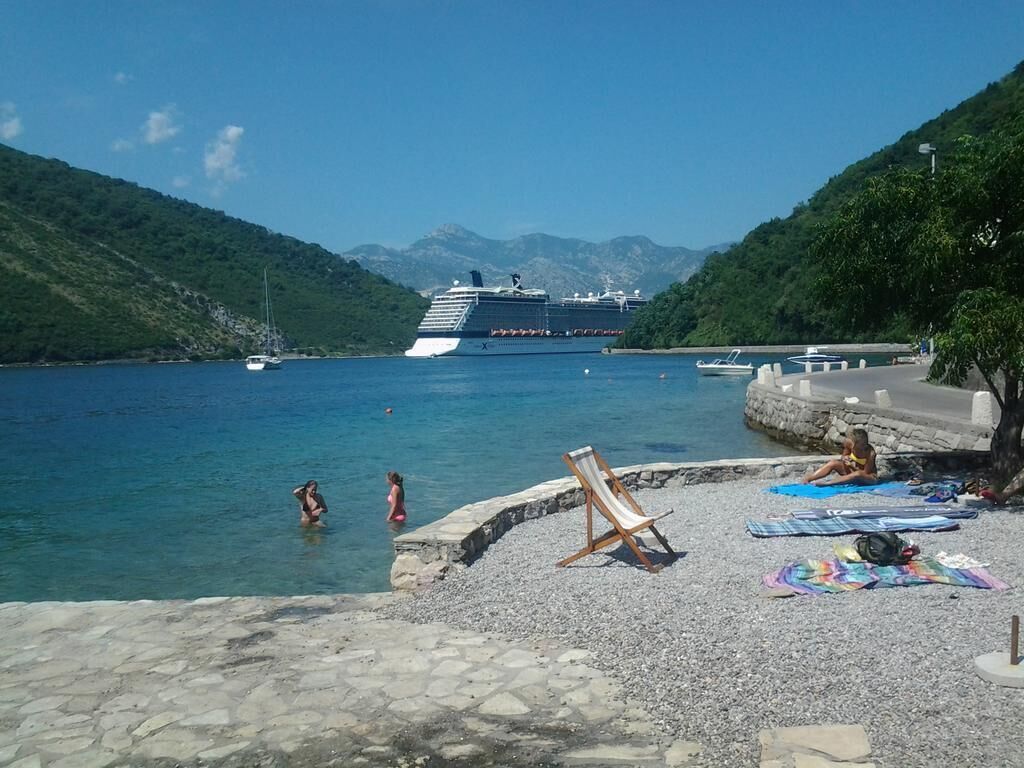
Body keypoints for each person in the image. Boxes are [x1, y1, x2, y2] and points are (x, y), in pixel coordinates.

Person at [802, 428, 879, 486]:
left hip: (868, 477)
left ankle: (828, 483)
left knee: (858, 474)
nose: (864, 445)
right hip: (851, 473)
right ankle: (809, 479)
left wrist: (851, 466)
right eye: (861, 444)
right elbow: (843, 456)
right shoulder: (849, 444)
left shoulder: (870, 453)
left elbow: (865, 473)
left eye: (865, 443)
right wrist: (844, 458)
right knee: (833, 463)